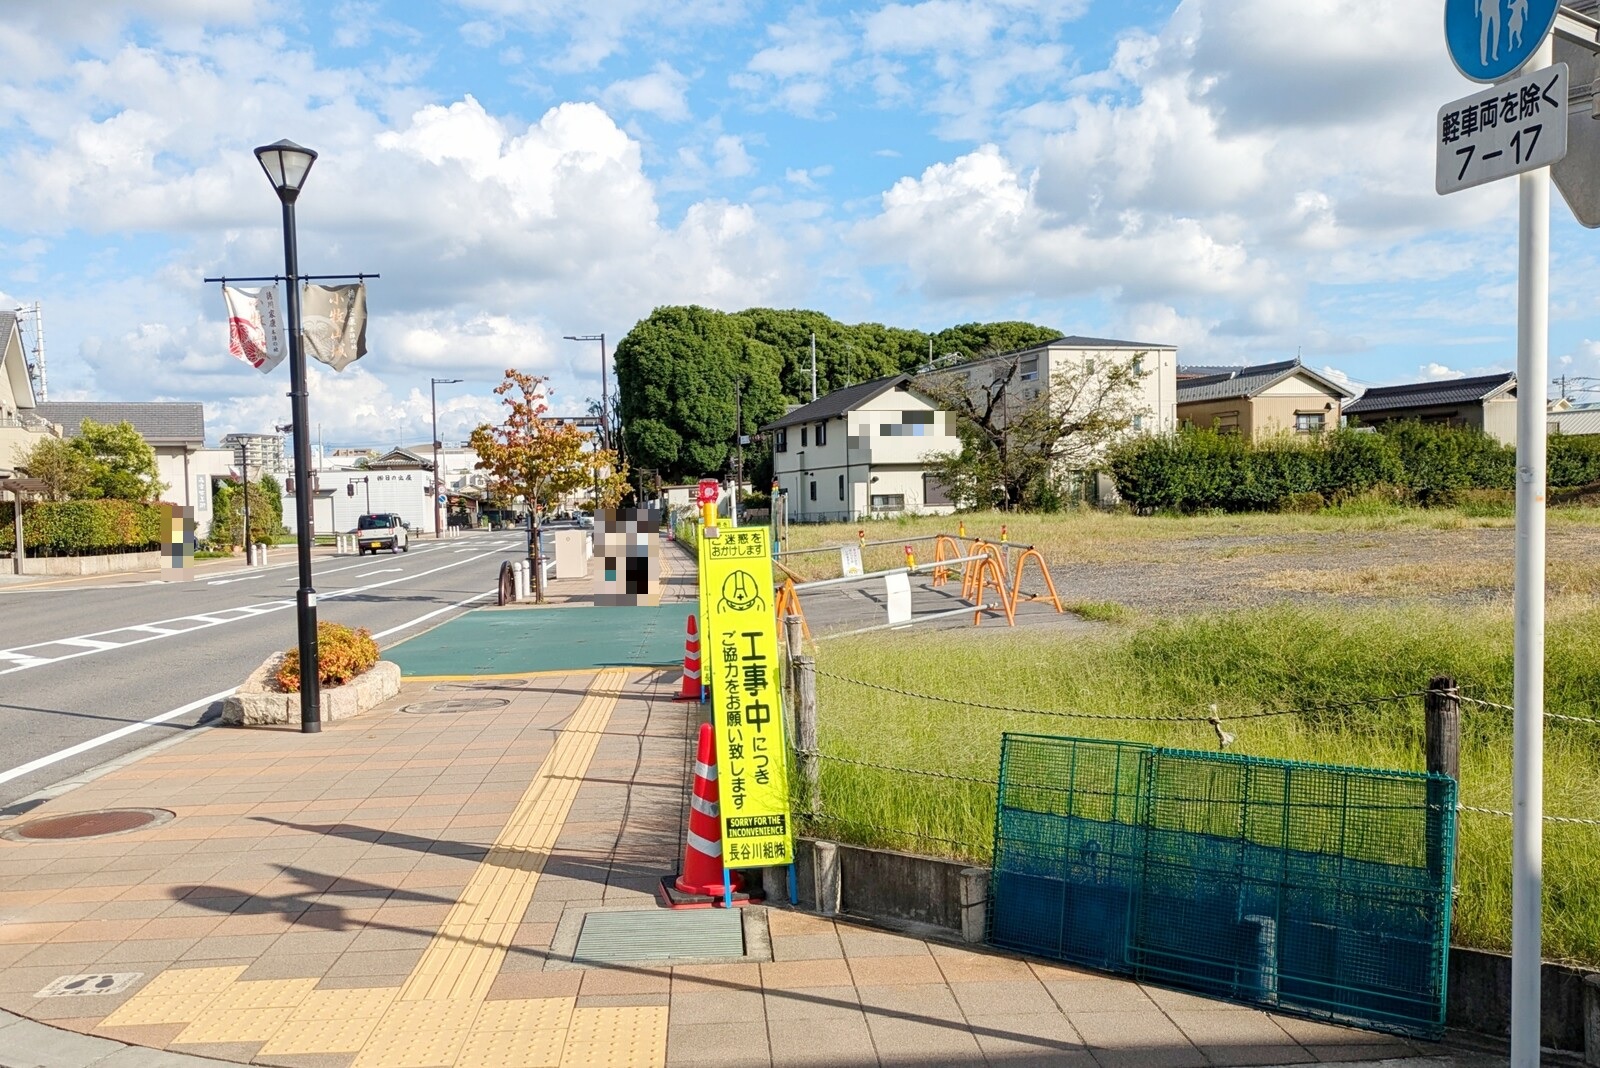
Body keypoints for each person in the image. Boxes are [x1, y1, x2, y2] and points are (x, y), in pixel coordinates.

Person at [1477, 0, 1502, 67]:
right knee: (1484, 32)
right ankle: (1483, 59)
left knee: (1496, 30)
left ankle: (1494, 54)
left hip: (1496, 7)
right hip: (1486, 7)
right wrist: (1476, 10)